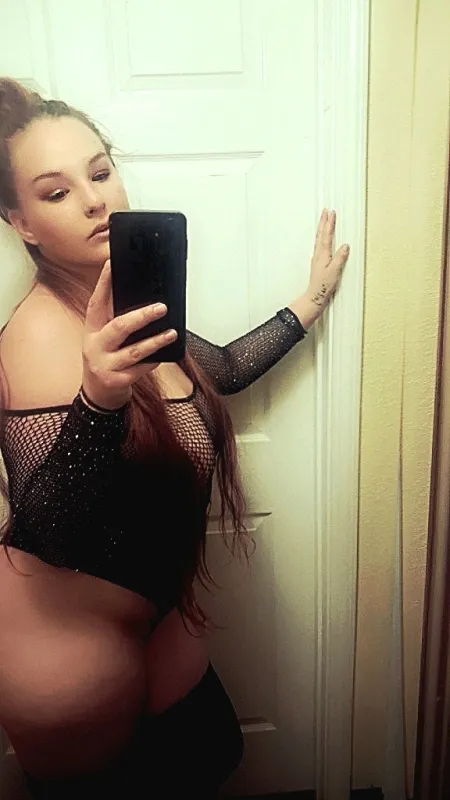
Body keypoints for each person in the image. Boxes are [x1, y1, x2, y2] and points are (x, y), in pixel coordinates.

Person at [0, 77, 350, 799]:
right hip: (67, 645)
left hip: (153, 616)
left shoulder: (131, 310)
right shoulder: (35, 335)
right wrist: (98, 400)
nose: (95, 200)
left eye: (100, 173)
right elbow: (53, 529)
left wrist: (311, 301)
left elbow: (219, 370)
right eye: (57, 192)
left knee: (210, 754)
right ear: (21, 223)